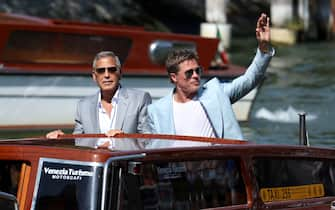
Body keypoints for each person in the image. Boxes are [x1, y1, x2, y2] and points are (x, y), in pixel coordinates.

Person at [147, 13, 274, 148]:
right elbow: (150, 150)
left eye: (198, 71)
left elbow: (250, 79)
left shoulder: (216, 93)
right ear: (174, 77)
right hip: (178, 168)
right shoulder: (156, 111)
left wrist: (263, 47)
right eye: (189, 73)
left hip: (218, 167)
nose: (196, 75)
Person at [46, 51, 152, 149]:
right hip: (94, 165)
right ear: (94, 76)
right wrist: (62, 139)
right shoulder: (83, 105)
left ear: (120, 73)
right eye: (101, 71)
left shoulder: (140, 99)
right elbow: (78, 142)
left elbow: (149, 140)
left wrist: (123, 140)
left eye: (112, 69)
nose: (106, 75)